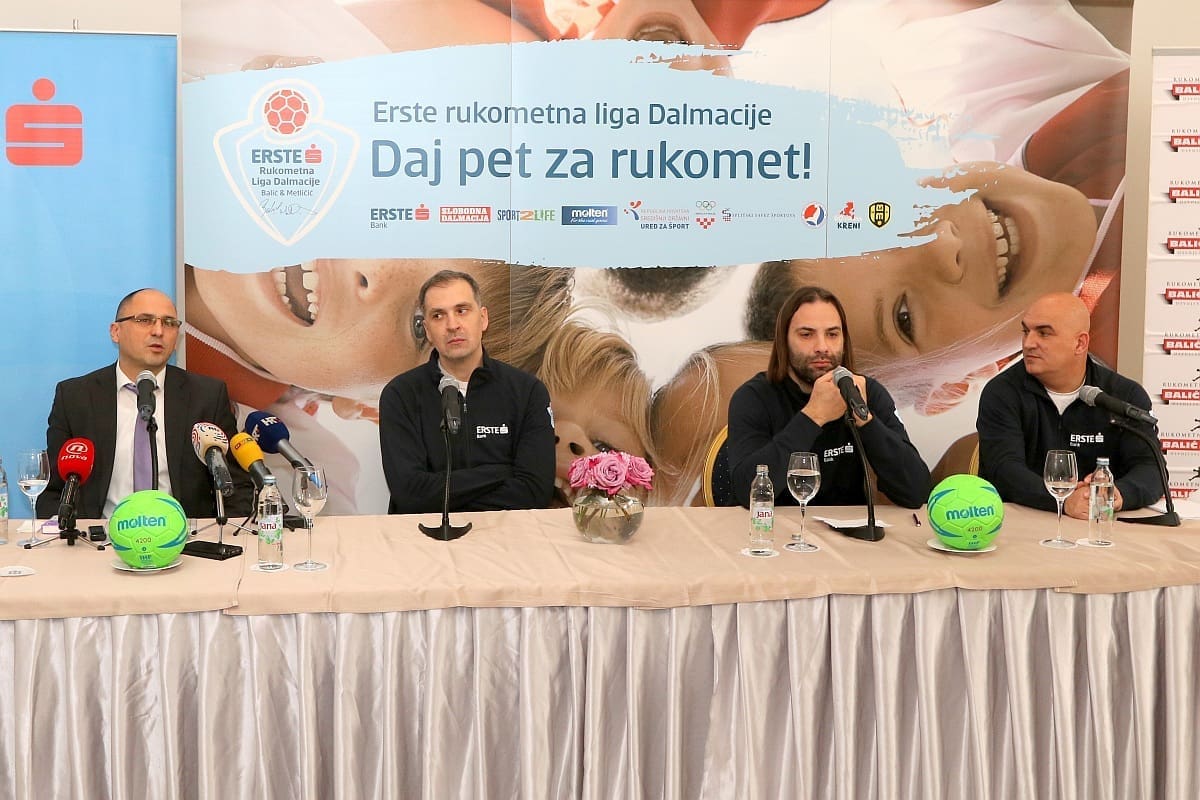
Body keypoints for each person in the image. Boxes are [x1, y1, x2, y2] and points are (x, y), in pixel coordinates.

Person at [38, 288, 254, 520]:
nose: (159, 331)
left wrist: (220, 533)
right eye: (144, 320)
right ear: (116, 332)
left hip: (185, 536)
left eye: (169, 323)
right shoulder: (76, 397)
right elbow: (54, 490)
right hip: (100, 535)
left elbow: (235, 486)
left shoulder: (207, 396)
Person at [726, 286, 929, 508]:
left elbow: (916, 492)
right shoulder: (753, 397)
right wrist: (813, 416)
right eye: (806, 335)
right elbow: (747, 492)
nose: (822, 347)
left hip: (848, 527)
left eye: (832, 334)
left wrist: (865, 421)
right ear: (784, 341)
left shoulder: (867, 392)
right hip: (773, 525)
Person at [379, 270, 555, 513]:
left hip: (506, 534)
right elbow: (410, 494)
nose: (452, 325)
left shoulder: (527, 392)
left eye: (462, 310)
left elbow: (535, 492)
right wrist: (500, 472)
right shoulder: (400, 395)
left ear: (483, 319)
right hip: (424, 535)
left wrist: (445, 494)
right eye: (438, 315)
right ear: (427, 330)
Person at [977, 292, 1162, 518]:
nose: (1028, 343)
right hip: (1025, 521)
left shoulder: (1124, 396)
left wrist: (1114, 494)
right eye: (1026, 331)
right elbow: (1004, 471)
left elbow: (1151, 469)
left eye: (1044, 333)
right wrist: (1064, 501)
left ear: (1080, 343)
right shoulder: (1002, 393)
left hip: (1102, 523)